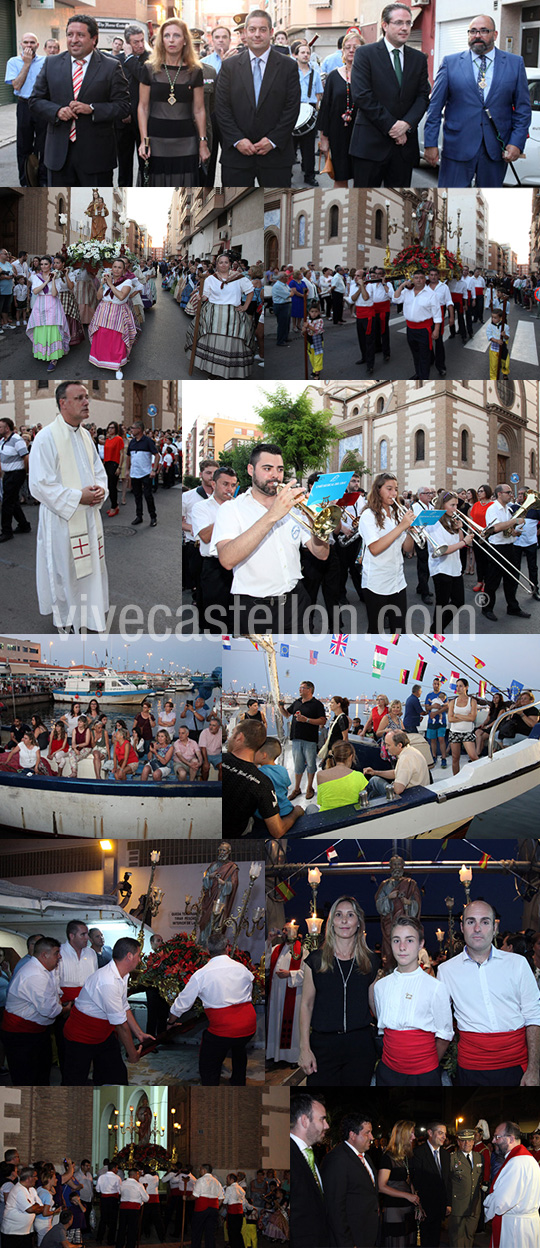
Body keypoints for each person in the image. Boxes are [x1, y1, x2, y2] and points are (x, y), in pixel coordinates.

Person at [210, 443, 329, 631]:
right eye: (267, 469)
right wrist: (273, 515)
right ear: (251, 470)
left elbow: (321, 554)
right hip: (252, 608)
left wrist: (317, 526)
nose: (275, 475)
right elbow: (226, 559)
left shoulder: (294, 507)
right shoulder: (231, 509)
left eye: (279, 469)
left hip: (296, 602)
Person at [29, 381, 108, 633]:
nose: (87, 402)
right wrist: (77, 497)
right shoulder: (46, 437)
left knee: (90, 569)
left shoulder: (85, 435)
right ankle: (67, 620)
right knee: (65, 571)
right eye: (80, 398)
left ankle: (89, 616)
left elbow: (98, 470)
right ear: (63, 403)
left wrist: (100, 490)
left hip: (88, 516)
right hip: (62, 519)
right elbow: (40, 484)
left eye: (87, 397)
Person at [438, 899, 540, 1085]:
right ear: (462, 927)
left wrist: (534, 1069)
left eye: (485, 922)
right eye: (471, 922)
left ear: (495, 928)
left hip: (517, 1065)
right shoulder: (446, 971)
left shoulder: (517, 964)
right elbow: (441, 1024)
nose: (477, 928)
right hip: (471, 1068)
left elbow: (534, 1017)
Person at [423, 16, 531, 187]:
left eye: (483, 31)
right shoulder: (450, 63)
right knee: (451, 195)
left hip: (495, 150)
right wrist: (430, 143)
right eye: (473, 31)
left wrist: (516, 143)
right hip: (457, 147)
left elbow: (523, 109)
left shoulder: (514, 64)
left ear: (495, 34)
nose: (477, 35)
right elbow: (435, 108)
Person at [30, 14, 130, 186]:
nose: (74, 40)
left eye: (80, 35)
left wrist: (92, 109)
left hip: (96, 157)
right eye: (70, 34)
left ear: (94, 39)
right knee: (60, 209)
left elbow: (123, 106)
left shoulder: (111, 66)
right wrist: (56, 111)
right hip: (58, 156)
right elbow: (35, 100)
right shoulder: (51, 64)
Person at [214, 9, 301, 187]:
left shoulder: (288, 66)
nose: (257, 35)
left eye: (262, 30)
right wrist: (238, 140)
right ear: (245, 33)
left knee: (275, 207)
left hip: (276, 157)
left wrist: (273, 140)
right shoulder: (229, 66)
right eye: (252, 30)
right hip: (236, 156)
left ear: (271, 33)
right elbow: (221, 108)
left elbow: (292, 107)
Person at [299, 896, 379, 1085]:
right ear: (331, 922)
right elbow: (306, 1005)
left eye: (350, 915)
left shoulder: (370, 961)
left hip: (360, 1046)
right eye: (339, 915)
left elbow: (375, 1005)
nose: (344, 920)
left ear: (358, 923)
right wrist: (304, 1048)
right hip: (323, 1046)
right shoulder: (316, 960)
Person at [349, 2, 430, 186]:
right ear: (384, 25)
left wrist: (406, 124)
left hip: (404, 148)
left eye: (408, 23)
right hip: (370, 145)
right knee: (364, 203)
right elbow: (362, 95)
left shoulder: (418, 59)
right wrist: (393, 127)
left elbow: (423, 95)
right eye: (399, 22)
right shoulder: (365, 54)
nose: (405, 28)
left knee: (399, 203)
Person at [372, 917, 453, 1085]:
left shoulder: (436, 987)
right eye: (396, 940)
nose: (402, 947)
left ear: (421, 944)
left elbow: (444, 1035)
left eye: (409, 940)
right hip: (387, 1073)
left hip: (424, 1074)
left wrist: (425, 1065)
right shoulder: (380, 987)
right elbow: (383, 1030)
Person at [62, 936, 153, 1084]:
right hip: (81, 1036)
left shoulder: (123, 975)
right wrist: (132, 1055)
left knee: (116, 1076)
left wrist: (139, 1033)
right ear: (129, 956)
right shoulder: (108, 981)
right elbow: (121, 1026)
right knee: (75, 1081)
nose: (140, 959)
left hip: (103, 1035)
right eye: (139, 955)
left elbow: (124, 1006)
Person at [168, 931, 256, 1085]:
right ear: (227, 947)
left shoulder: (201, 974)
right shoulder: (242, 968)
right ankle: (238, 1081)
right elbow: (250, 986)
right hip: (248, 1027)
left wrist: (170, 1022)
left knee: (208, 1065)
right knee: (239, 1047)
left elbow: (182, 1003)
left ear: (207, 951)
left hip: (223, 1029)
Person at [137, 20, 208, 187]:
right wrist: (144, 140)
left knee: (186, 182)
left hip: (186, 141)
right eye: (166, 35)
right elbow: (143, 107)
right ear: (161, 40)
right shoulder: (149, 69)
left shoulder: (195, 71)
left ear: (185, 40)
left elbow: (199, 110)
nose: (171, 40)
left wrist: (203, 142)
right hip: (156, 140)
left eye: (176, 35)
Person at [0, 937, 64, 1085]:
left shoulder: (45, 970)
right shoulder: (35, 974)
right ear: (44, 955)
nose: (59, 956)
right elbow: (49, 1010)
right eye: (56, 953)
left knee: (40, 1075)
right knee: (26, 1079)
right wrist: (63, 1009)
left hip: (36, 1032)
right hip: (21, 1036)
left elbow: (55, 993)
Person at [358, 471, 415, 632]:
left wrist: (410, 531)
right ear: (378, 490)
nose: (394, 493)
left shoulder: (398, 513)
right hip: (377, 582)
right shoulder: (368, 515)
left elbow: (407, 549)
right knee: (375, 630)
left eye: (396, 489)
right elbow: (375, 548)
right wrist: (401, 527)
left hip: (398, 581)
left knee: (399, 629)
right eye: (389, 489)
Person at [185, 256, 255, 379]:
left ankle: (229, 371)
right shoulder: (211, 279)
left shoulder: (239, 278)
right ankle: (213, 370)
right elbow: (206, 295)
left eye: (226, 262)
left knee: (232, 342)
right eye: (221, 262)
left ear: (230, 264)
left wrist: (245, 307)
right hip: (214, 313)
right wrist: (201, 297)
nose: (223, 265)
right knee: (211, 341)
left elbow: (250, 291)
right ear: (217, 265)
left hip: (233, 315)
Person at [321, 1113, 380, 1248]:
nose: (372, 1137)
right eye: (367, 1133)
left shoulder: (366, 1157)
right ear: (352, 1134)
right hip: (351, 1238)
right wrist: (347, 1242)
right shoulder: (337, 1159)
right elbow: (335, 1207)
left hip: (367, 1233)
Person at [318, 28, 363, 186]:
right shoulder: (333, 76)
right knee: (340, 177)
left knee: (363, 180)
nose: (351, 50)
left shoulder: (369, 76)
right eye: (347, 47)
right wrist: (324, 139)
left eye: (356, 47)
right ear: (342, 50)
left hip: (363, 135)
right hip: (338, 135)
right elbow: (325, 109)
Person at [484, 1122, 540, 1246]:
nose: (493, 1141)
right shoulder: (528, 1159)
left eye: (497, 1137)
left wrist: (487, 1205)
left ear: (510, 1139)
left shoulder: (516, 1163)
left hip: (514, 1228)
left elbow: (500, 1201)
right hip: (527, 1224)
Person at [427, 489, 474, 630]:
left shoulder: (450, 520)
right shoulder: (433, 522)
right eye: (452, 505)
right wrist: (464, 542)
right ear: (443, 505)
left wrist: (460, 529)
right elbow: (443, 550)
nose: (455, 509)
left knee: (459, 601)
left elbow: (458, 541)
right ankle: (436, 631)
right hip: (441, 568)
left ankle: (436, 629)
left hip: (454, 567)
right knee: (441, 603)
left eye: (456, 505)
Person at [290, 1094, 331, 1248]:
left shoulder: (309, 1154)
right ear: (304, 1120)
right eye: (322, 1119)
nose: (326, 1125)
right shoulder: (290, 1155)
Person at [5, 33, 46, 186]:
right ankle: (26, 181)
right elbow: (16, 85)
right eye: (26, 42)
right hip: (24, 105)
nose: (29, 45)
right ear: (21, 44)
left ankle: (42, 180)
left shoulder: (45, 61)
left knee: (43, 145)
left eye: (32, 42)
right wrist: (27, 64)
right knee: (24, 145)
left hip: (42, 105)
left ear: (38, 45)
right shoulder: (13, 61)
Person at [88, 258, 137, 380]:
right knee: (102, 336)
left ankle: (117, 366)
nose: (116, 270)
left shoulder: (127, 282)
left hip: (118, 312)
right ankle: (101, 360)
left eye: (119, 267)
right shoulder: (106, 279)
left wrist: (109, 283)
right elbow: (99, 296)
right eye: (114, 267)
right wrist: (102, 284)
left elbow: (121, 296)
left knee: (116, 339)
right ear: (111, 268)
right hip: (103, 310)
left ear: (124, 269)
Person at [279, 679, 326, 800]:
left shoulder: (317, 705)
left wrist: (307, 720)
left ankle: (309, 787)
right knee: (298, 765)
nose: (300, 690)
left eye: (302, 688)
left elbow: (323, 720)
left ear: (309, 690)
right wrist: (281, 707)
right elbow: (287, 714)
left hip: (309, 739)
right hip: (296, 738)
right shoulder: (297, 702)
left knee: (311, 765)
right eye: (300, 688)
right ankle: (297, 789)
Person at [377, 1120, 421, 1247]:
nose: (414, 1137)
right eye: (411, 1133)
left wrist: (417, 1204)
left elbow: (408, 1181)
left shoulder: (407, 1156)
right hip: (394, 1210)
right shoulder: (388, 1157)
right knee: (397, 1243)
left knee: (408, 1242)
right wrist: (407, 1196)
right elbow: (381, 1186)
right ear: (402, 1135)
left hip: (408, 1208)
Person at [392, 270, 442, 380]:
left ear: (425, 279)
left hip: (424, 330)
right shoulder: (406, 292)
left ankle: (424, 378)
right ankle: (418, 373)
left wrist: (436, 330)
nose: (418, 280)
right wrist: (402, 285)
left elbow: (437, 314)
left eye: (421, 277)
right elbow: (395, 299)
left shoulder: (431, 294)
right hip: (410, 329)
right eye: (416, 277)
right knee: (415, 354)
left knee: (424, 356)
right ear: (412, 279)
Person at [266, 924, 304, 1065]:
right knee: (276, 1022)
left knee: (292, 1026)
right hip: (277, 994)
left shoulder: (302, 951)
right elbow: (266, 963)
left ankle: (292, 1057)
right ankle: (276, 1055)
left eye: (287, 929)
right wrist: (269, 941)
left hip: (292, 993)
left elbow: (306, 972)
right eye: (284, 929)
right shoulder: (277, 949)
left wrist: (290, 974)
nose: (283, 932)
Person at [117, 26, 150, 186]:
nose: (140, 45)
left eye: (141, 40)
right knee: (124, 163)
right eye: (135, 42)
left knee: (145, 162)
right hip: (123, 120)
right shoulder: (118, 60)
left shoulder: (149, 59)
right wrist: (123, 111)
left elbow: (143, 76)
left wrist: (130, 57)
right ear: (127, 43)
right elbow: (116, 89)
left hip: (144, 120)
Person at [410, 1122, 451, 1248]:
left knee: (435, 1241)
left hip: (440, 1208)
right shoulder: (418, 1153)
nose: (444, 1136)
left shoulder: (445, 1154)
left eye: (445, 1134)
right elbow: (416, 1181)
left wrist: (448, 1203)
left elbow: (447, 1181)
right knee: (424, 1241)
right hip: (424, 1209)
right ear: (430, 1133)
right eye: (440, 1133)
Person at [26, 255, 70, 371]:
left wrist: (53, 280)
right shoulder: (35, 277)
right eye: (41, 264)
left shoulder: (57, 278)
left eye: (46, 264)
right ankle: (42, 353)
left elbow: (55, 294)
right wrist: (46, 281)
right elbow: (35, 291)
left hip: (53, 305)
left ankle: (53, 358)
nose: (43, 266)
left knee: (53, 329)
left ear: (51, 265)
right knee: (41, 328)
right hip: (40, 305)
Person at [254, 737, 303, 832]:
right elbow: (286, 786)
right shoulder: (283, 770)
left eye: (255, 751)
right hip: (287, 810)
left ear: (264, 755)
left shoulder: (258, 773)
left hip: (267, 815)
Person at [364, 729, 431, 799]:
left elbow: (398, 790)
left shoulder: (405, 759)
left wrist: (393, 784)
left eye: (388, 745)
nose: (386, 748)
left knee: (374, 781)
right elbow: (396, 773)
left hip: (411, 797)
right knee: (375, 780)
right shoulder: (411, 751)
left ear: (399, 745)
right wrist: (375, 772)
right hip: (421, 792)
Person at [292, 40, 323, 188]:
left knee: (308, 148)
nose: (306, 55)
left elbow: (318, 95)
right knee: (290, 147)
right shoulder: (291, 72)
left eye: (308, 53)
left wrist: (313, 111)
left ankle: (309, 175)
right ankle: (287, 174)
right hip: (293, 109)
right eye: (303, 52)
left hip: (309, 110)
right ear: (295, 55)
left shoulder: (315, 74)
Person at [448, 1129, 484, 1248]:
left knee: (470, 1235)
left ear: (474, 1142)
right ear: (458, 1142)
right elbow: (447, 1182)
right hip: (458, 1205)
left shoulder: (479, 1157)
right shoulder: (452, 1158)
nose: (466, 1144)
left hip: (474, 1205)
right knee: (457, 1237)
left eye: (469, 1140)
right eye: (463, 1141)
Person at [0, 416, 31, 545]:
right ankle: (24, 525)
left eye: (0, 427)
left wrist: (25, 472)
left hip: (16, 474)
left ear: (7, 428)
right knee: (12, 501)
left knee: (7, 503)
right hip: (8, 474)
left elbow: (26, 457)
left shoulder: (17, 440)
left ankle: (6, 531)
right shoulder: (3, 440)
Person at [315, 741, 369, 810]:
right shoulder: (359, 776)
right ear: (351, 757)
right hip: (351, 816)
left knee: (311, 808)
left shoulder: (320, 775)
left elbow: (320, 802)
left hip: (326, 818)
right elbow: (362, 802)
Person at [2, 1167, 45, 1248]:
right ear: (29, 1178)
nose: (37, 1178)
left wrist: (35, 1206)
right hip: (13, 1232)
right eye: (35, 1176)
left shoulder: (32, 1189)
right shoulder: (18, 1190)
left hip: (26, 1231)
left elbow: (42, 1207)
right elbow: (30, 1209)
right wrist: (35, 1206)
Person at [52, 256, 85, 348]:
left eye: (58, 263)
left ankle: (67, 340)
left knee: (67, 318)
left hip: (66, 296)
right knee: (56, 319)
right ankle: (57, 339)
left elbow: (71, 287)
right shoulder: (52, 273)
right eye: (54, 263)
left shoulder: (70, 273)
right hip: (55, 297)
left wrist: (66, 274)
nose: (55, 265)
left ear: (63, 263)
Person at [447, 678, 479, 774]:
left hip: (467, 732)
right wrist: (466, 717)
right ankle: (456, 778)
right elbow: (450, 719)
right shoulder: (453, 702)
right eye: (457, 686)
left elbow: (472, 718)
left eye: (460, 686)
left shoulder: (472, 701)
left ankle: (480, 774)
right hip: (454, 732)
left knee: (473, 756)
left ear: (466, 687)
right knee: (455, 758)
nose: (458, 688)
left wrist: (457, 715)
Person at [190, 1167, 224, 1248]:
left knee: (197, 1230)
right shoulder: (217, 1182)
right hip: (213, 1209)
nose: (199, 1171)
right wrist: (216, 1207)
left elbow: (195, 1196)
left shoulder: (200, 1180)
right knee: (210, 1232)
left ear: (204, 1170)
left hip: (201, 1208)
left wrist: (187, 1198)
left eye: (200, 1169)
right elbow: (222, 1198)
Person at [116, 1171, 148, 1248]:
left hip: (123, 1208)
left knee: (122, 1228)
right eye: (138, 1174)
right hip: (134, 1209)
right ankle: (130, 1246)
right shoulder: (138, 1185)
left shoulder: (122, 1183)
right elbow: (146, 1198)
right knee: (132, 1229)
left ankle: (119, 1245)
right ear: (134, 1175)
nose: (139, 1176)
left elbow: (119, 1192)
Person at [425, 677, 449, 768]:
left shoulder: (443, 695)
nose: (436, 685)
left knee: (441, 739)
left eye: (438, 684)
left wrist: (436, 713)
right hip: (432, 721)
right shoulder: (429, 695)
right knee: (433, 740)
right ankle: (434, 756)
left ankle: (443, 758)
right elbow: (426, 708)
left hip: (441, 721)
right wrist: (433, 707)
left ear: (440, 685)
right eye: (435, 683)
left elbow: (446, 707)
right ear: (432, 684)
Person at [95, 1164, 121, 1244]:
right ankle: (111, 1240)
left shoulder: (101, 1177)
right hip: (113, 1200)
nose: (117, 1169)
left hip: (104, 1200)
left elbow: (98, 1189)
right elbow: (119, 1190)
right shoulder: (117, 1178)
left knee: (103, 1219)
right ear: (113, 1168)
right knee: (113, 1220)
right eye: (116, 1167)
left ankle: (99, 1238)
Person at [103, 421, 124, 516]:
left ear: (116, 429)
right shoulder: (108, 439)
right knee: (108, 486)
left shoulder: (119, 439)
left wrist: (119, 467)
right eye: (109, 427)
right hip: (107, 463)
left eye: (112, 427)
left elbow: (122, 453)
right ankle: (114, 505)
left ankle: (114, 506)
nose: (110, 429)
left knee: (112, 487)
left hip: (114, 464)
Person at [486, 306, 510, 378]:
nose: (493, 319)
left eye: (495, 318)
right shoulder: (490, 326)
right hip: (494, 349)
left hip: (503, 348)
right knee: (493, 366)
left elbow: (507, 337)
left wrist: (504, 335)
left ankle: (505, 372)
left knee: (505, 363)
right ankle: (493, 378)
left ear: (500, 318)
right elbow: (489, 336)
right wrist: (497, 341)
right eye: (492, 317)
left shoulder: (505, 327)